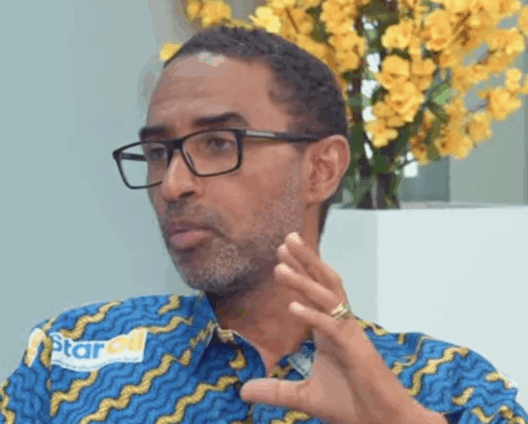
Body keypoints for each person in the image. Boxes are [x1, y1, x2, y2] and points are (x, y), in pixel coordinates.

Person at [0, 25, 526, 424]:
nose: (173, 185)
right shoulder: (70, 356)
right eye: (159, 152)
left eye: (217, 143)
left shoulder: (450, 387)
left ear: (321, 169)